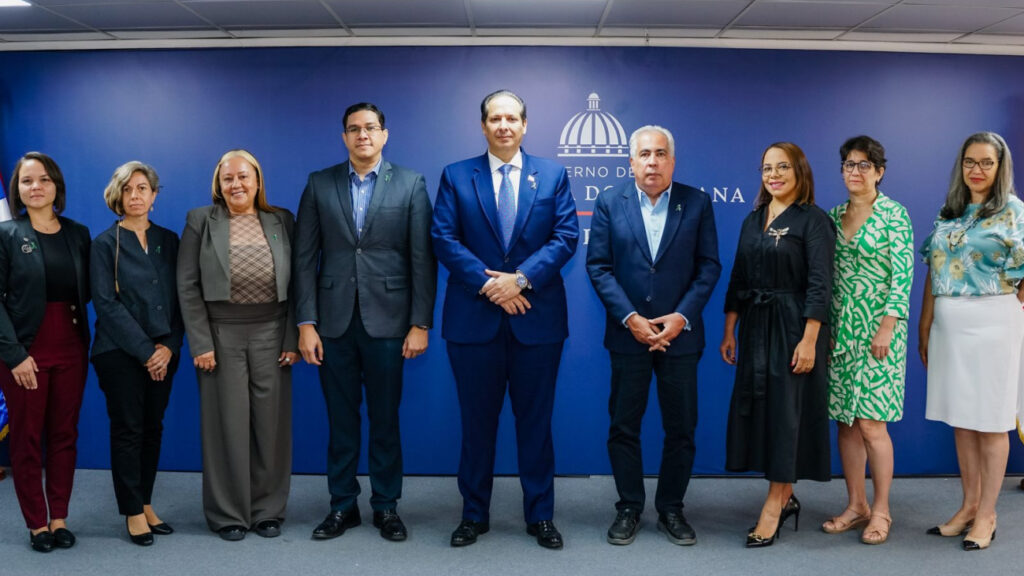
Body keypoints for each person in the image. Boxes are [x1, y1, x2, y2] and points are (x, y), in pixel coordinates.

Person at [431, 89, 579, 549]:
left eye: (512, 118)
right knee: (477, 425)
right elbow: (443, 237)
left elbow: (566, 236)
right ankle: (474, 514)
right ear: (482, 126)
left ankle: (541, 516)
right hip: (474, 323)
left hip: (537, 320)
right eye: (495, 118)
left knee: (535, 424)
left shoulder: (552, 175)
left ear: (525, 125)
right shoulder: (457, 176)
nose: (504, 126)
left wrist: (521, 279)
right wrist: (491, 284)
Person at [293, 102, 436, 542]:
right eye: (354, 129)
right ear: (344, 137)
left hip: (391, 324)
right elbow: (303, 259)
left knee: (385, 419)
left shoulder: (411, 183)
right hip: (332, 323)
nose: (362, 136)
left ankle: (386, 507)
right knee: (340, 420)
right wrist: (305, 322)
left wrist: (420, 323)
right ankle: (341, 506)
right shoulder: (320, 183)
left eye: (370, 128)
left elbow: (422, 259)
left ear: (384, 134)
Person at [586, 125, 720, 547]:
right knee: (624, 425)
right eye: (644, 154)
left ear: (672, 161)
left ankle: (671, 509)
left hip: (680, 338)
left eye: (661, 154)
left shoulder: (696, 202)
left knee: (681, 428)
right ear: (631, 161)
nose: (653, 162)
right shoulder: (610, 201)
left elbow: (708, 267)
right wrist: (631, 318)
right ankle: (628, 506)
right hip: (629, 336)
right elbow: (599, 267)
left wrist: (680, 317)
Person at [177, 149, 299, 542]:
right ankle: (228, 512)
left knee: (271, 426)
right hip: (219, 335)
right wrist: (200, 342)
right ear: (218, 184)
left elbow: (298, 283)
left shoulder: (281, 220)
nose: (236, 185)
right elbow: (187, 285)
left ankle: (267, 510)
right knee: (225, 425)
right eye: (227, 178)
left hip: (272, 333)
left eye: (244, 177)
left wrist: (291, 337)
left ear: (258, 181)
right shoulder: (201, 220)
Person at [720, 142, 835, 548]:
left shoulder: (814, 220)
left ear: (800, 171)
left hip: (794, 327)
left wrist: (809, 339)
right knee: (764, 413)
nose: (774, 175)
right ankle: (785, 496)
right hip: (755, 326)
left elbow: (821, 283)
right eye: (767, 167)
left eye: (783, 167)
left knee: (787, 415)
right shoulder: (753, 219)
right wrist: (730, 327)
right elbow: (738, 276)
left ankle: (775, 503)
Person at [918, 131, 1024, 551]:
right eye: (969, 162)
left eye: (986, 163)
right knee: (962, 419)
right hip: (949, 323)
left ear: (1000, 168)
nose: (976, 170)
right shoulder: (950, 213)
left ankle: (987, 514)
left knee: (991, 419)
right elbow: (933, 269)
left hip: (993, 323)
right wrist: (925, 323)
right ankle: (968, 505)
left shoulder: (1014, 212)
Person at [822, 136, 913, 545]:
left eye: (863, 165)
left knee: (872, 423)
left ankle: (881, 510)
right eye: (848, 165)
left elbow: (903, 275)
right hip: (841, 331)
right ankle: (856, 504)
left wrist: (888, 325)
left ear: (879, 171)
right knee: (845, 422)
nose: (854, 172)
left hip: (880, 333)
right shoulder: (832, 215)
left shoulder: (895, 215)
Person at [0, 152, 91, 553]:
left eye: (43, 179)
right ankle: (36, 524)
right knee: (25, 439)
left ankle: (59, 517)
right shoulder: (4, 234)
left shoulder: (79, 234)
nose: (35, 187)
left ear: (57, 185)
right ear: (17, 190)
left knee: (64, 435)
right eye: (26, 181)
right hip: (25, 352)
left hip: (71, 346)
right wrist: (15, 354)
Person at [90, 161, 183, 547]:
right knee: (128, 429)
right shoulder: (104, 244)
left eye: (142, 188)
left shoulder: (169, 239)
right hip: (120, 353)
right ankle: (131, 511)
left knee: (152, 427)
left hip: (165, 350)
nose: (135, 196)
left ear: (155, 195)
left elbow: (182, 299)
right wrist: (148, 352)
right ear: (117, 196)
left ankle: (145, 502)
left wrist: (170, 346)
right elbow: (106, 305)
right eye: (128, 189)